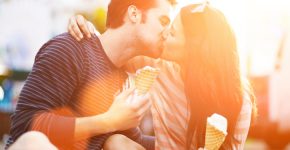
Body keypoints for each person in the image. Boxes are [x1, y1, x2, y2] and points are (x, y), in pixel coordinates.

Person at [68, 2, 257, 150]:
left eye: (172, 33)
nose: (163, 33)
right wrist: (87, 29)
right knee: (116, 142)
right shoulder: (158, 66)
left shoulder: (238, 101)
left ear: (194, 50)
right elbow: (112, 49)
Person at [6, 0, 173, 149]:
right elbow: (25, 126)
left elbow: (138, 142)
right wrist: (108, 121)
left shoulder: (120, 78)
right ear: (134, 14)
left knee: (119, 143)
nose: (167, 32)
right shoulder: (71, 49)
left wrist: (189, 143)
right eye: (163, 21)